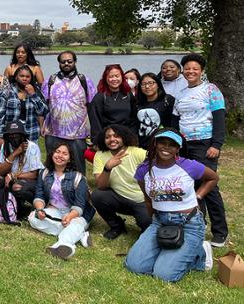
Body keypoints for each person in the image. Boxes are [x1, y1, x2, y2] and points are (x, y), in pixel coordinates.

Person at [125, 129, 217, 282]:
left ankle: (201, 253)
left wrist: (198, 195)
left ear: (178, 148)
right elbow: (148, 200)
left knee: (164, 275)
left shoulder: (189, 166)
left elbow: (213, 178)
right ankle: (167, 249)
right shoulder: (144, 170)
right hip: (160, 222)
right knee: (135, 266)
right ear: (155, 143)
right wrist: (153, 224)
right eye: (162, 142)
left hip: (189, 224)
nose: (166, 148)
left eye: (172, 145)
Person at [172, 53, 228, 247]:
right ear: (183, 71)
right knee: (191, 186)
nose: (191, 71)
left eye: (195, 68)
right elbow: (175, 120)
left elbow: (220, 118)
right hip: (185, 145)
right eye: (187, 68)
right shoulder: (180, 93)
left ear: (202, 71)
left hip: (205, 144)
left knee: (209, 186)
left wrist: (216, 144)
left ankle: (220, 232)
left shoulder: (211, 89)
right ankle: (198, 225)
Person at [28, 142, 92, 260]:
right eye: (57, 152)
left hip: (76, 214)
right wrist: (40, 209)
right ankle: (79, 234)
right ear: (52, 154)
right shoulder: (45, 173)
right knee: (33, 217)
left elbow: (80, 205)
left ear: (70, 159)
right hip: (55, 211)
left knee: (76, 224)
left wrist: (70, 216)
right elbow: (39, 195)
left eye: (64, 154)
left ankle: (64, 245)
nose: (60, 156)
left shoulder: (78, 177)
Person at [41, 50, 96, 175]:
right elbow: (44, 106)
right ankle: (52, 190)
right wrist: (42, 125)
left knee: (78, 167)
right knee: (52, 166)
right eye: (63, 61)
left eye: (69, 61)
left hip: (78, 133)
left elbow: (92, 106)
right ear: (59, 63)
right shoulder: (50, 81)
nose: (66, 63)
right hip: (54, 132)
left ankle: (81, 190)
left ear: (75, 62)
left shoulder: (85, 81)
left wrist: (93, 131)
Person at [92, 125, 150, 240]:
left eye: (116, 136)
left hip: (141, 200)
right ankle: (117, 226)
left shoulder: (137, 152)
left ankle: (145, 226)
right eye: (107, 137)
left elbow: (158, 166)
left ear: (124, 137)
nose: (112, 139)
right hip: (119, 198)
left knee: (147, 225)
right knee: (97, 195)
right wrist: (108, 168)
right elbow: (101, 186)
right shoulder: (100, 155)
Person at [0, 120, 44, 217]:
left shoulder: (32, 147)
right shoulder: (6, 146)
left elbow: (34, 174)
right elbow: (1, 171)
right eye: (11, 136)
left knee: (17, 187)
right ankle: (11, 205)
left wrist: (13, 175)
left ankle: (32, 206)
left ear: (22, 136)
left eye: (16, 135)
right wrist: (15, 153)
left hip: (30, 180)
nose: (14, 138)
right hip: (12, 179)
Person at [0, 65, 48, 144]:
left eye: (27, 76)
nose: (24, 78)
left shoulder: (35, 91)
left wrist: (33, 95)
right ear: (16, 77)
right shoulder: (6, 92)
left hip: (31, 135)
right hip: (11, 135)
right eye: (21, 76)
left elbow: (43, 111)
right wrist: (0, 136)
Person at [88, 64, 138, 142]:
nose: (114, 79)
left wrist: (132, 136)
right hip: (108, 138)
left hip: (126, 138)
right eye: (111, 77)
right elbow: (95, 122)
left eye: (117, 76)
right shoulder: (100, 97)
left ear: (122, 77)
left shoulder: (128, 94)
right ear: (106, 78)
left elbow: (134, 118)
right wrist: (97, 141)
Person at [136, 73, 175, 149]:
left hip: (162, 144)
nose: (147, 86)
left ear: (158, 84)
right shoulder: (137, 103)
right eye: (143, 84)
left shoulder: (167, 100)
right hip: (142, 146)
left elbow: (174, 122)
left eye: (151, 83)